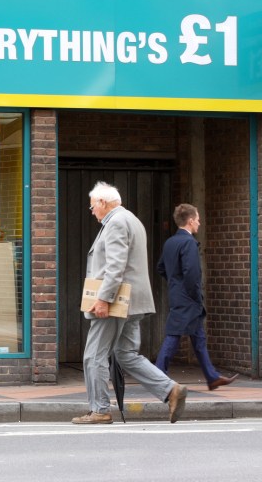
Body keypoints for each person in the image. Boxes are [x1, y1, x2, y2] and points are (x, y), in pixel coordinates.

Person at [73, 181, 188, 424]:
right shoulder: (131, 219)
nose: (92, 211)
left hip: (116, 304)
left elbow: (116, 265)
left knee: (93, 356)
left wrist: (103, 299)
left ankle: (100, 410)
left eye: (92, 206)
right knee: (125, 354)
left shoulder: (115, 223)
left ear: (102, 202)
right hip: (133, 303)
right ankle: (170, 390)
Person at [155, 203, 239, 390]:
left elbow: (161, 267)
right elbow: (192, 274)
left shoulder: (170, 242)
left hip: (178, 296)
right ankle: (157, 376)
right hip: (189, 299)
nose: (199, 223)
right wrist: (193, 295)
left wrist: (175, 283)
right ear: (191, 221)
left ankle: (212, 377)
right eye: (198, 220)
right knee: (174, 336)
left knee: (198, 338)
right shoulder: (189, 243)